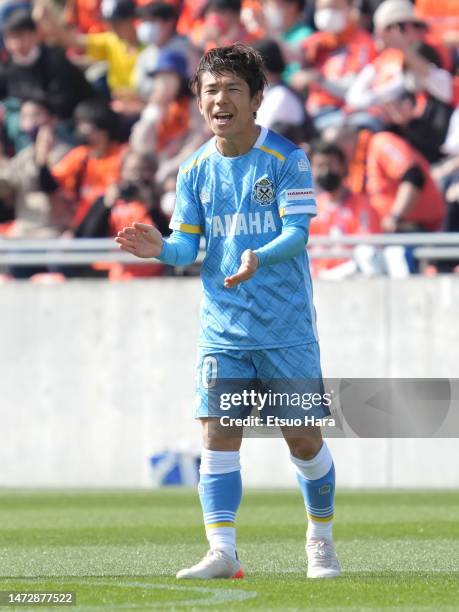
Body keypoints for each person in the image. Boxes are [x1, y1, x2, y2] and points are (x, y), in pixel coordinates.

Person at [116, 43, 341, 580]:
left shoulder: (287, 158)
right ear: (198, 101)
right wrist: (159, 250)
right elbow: (185, 247)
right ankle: (223, 551)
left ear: (256, 99)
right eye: (210, 90)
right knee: (218, 432)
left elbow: (298, 233)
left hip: (286, 329)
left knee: (303, 438)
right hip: (224, 329)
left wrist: (258, 256)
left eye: (232, 89)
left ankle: (321, 538)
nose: (220, 100)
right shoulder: (193, 171)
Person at [309, 140, 380, 274]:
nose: (325, 171)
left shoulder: (362, 205)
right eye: (319, 166)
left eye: (330, 165)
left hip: (352, 275)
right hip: (318, 278)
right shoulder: (312, 208)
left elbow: (368, 246)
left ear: (342, 167)